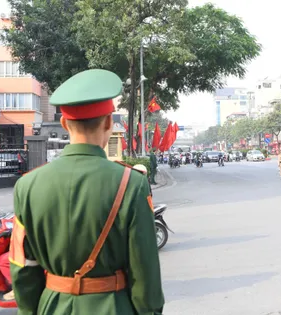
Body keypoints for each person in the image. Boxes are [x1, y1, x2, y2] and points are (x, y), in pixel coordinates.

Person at [9, 69, 164, 315]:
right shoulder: (131, 183)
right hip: (113, 307)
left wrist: (30, 310)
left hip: (52, 306)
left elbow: (23, 266)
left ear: (63, 123)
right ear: (107, 122)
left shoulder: (27, 186)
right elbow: (144, 268)